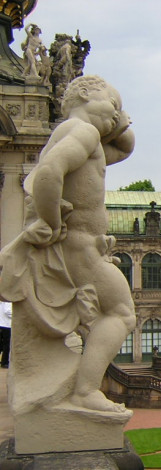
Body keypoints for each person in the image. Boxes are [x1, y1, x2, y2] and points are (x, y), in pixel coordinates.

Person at [0, 76, 135, 414]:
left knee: (114, 312)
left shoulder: (85, 136)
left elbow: (124, 148)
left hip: (83, 246)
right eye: (112, 103)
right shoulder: (84, 132)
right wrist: (52, 223)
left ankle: (82, 388)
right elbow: (49, 172)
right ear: (86, 95)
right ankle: (85, 390)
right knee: (120, 313)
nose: (117, 113)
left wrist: (118, 123)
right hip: (79, 246)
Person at [0, 302, 11, 368]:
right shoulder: (8, 301)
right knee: (7, 345)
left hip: (2, 324)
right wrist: (16, 314)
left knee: (2, 344)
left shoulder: (2, 301)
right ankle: (5, 362)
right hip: (7, 325)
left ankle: (4, 362)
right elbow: (8, 311)